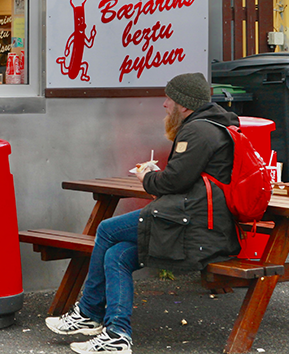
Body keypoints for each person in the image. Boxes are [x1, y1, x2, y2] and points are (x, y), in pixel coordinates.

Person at [45, 72, 240, 354]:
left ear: (184, 105)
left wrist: (147, 177)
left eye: (169, 100)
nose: (164, 105)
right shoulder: (215, 125)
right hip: (193, 220)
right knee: (117, 255)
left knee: (107, 229)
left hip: (192, 227)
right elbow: (186, 179)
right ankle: (117, 335)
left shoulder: (199, 131)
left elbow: (174, 182)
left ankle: (88, 313)